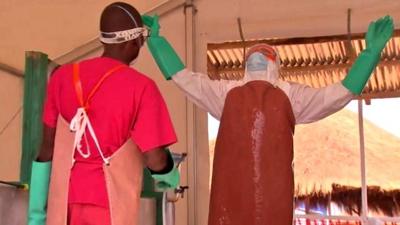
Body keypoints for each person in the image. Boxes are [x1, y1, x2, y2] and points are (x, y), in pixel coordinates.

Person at [142, 14, 394, 225]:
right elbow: (184, 79)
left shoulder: (283, 94)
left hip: (266, 199)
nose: (258, 54)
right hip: (237, 199)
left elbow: (339, 94)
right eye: (254, 52)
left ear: (277, 64)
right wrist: (156, 41)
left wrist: (370, 55)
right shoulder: (236, 93)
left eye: (265, 52)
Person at [27, 2, 179, 225]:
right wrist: (169, 175)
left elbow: (46, 149)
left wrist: (36, 215)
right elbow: (155, 159)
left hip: (64, 206)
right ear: (134, 41)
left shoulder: (63, 77)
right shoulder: (141, 87)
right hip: (110, 208)